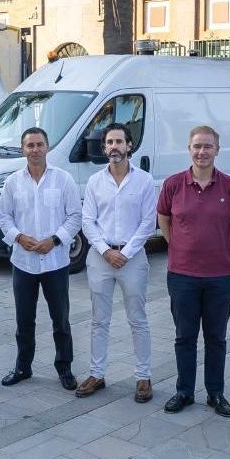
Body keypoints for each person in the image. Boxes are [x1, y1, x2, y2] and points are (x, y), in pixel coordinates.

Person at [158, 125, 230, 417]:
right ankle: (184, 391)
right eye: (197, 146)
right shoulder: (173, 184)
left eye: (208, 146)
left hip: (220, 275)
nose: (202, 152)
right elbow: (164, 219)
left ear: (217, 150)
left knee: (216, 337)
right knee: (184, 336)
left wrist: (217, 247)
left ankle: (215, 393)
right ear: (189, 149)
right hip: (182, 275)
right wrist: (181, 248)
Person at [77, 123, 158, 402]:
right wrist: (105, 250)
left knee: (138, 319)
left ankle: (143, 377)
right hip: (100, 258)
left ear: (129, 146)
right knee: (99, 319)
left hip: (133, 259)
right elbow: (87, 221)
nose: (114, 147)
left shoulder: (145, 181)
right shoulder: (94, 182)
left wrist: (126, 252)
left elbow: (149, 222)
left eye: (119, 142)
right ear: (104, 148)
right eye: (109, 142)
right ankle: (96, 374)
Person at [0, 128, 82, 390]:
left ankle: (64, 368)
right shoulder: (12, 182)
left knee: (61, 320)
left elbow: (75, 216)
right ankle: (23, 367)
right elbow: (4, 217)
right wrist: (19, 237)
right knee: (24, 320)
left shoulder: (64, 179)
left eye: (40, 144)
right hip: (23, 263)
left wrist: (54, 240)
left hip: (55, 262)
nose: (35, 149)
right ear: (23, 149)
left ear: (47, 147)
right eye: (30, 145)